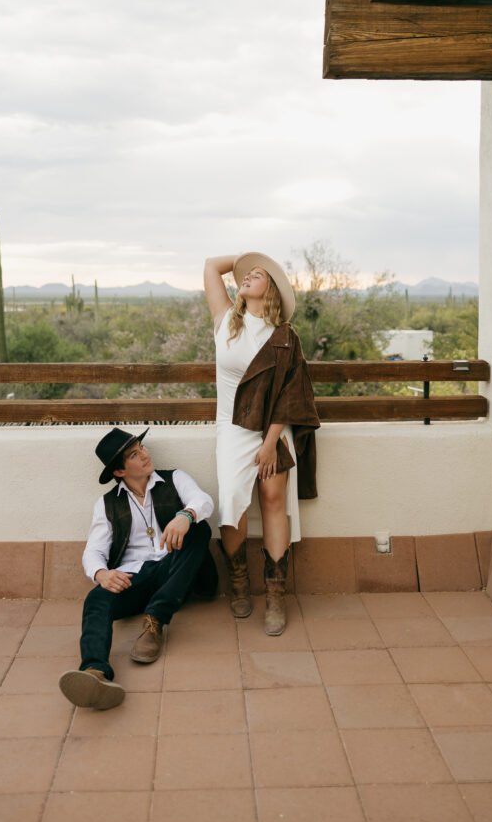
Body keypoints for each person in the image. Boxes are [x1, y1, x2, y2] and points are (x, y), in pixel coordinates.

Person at [58, 426, 217, 710]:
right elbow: (93, 551)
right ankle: (95, 673)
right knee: (97, 597)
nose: (145, 454)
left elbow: (203, 500)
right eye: (134, 454)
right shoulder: (107, 504)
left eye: (142, 448)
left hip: (178, 569)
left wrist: (186, 515)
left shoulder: (174, 478)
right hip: (138, 577)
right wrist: (101, 573)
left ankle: (155, 621)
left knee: (199, 530)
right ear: (119, 471)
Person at [203, 252, 320, 635]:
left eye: (257, 274)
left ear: (270, 288)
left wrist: (271, 443)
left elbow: (290, 394)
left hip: (273, 428)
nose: (247, 277)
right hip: (233, 425)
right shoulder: (225, 321)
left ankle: (274, 595)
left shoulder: (284, 336)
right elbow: (209, 266)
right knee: (233, 500)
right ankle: (238, 583)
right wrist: (246, 257)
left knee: (272, 497)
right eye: (245, 275)